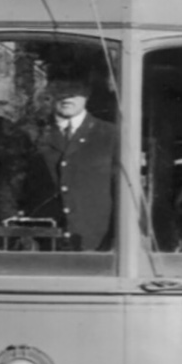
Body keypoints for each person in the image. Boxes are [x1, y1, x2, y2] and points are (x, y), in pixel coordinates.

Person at [31, 81, 117, 249]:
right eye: (60, 90)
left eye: (75, 91)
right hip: (42, 242)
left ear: (87, 94)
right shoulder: (32, 134)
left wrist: (119, 240)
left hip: (97, 243)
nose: (67, 97)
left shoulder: (110, 134)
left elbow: (123, 189)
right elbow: (9, 188)